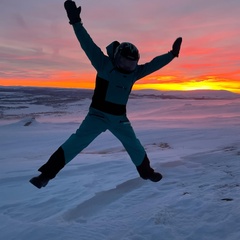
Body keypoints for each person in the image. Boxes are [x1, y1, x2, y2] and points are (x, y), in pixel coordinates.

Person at [29, 0, 182, 189]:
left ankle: (147, 173)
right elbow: (87, 43)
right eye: (125, 62)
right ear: (117, 58)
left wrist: (171, 54)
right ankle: (45, 175)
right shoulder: (103, 65)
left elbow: (153, 64)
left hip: (119, 119)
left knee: (134, 145)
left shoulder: (134, 73)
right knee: (75, 143)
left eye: (132, 63)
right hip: (97, 116)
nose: (128, 67)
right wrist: (75, 21)